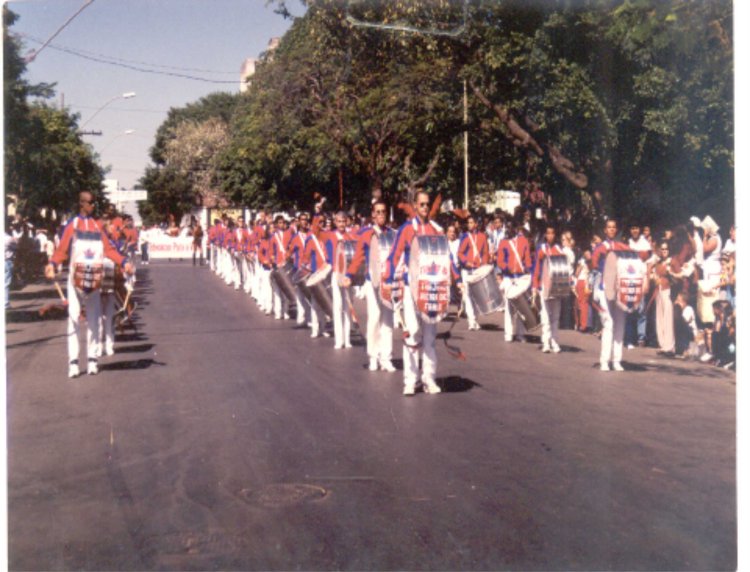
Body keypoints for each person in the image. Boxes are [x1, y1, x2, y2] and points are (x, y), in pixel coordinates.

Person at [45, 191, 134, 378]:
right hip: (74, 280)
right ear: (82, 204)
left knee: (94, 320)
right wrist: (52, 264)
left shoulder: (97, 226)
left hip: (94, 281)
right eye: (91, 203)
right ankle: (73, 363)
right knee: (74, 320)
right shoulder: (72, 225)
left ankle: (92, 360)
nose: (94, 206)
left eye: (95, 202)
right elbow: (61, 250)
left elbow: (109, 249)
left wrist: (124, 262)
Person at [386, 189, 445, 396]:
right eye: (422, 204)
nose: (426, 207)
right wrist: (389, 279)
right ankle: (410, 380)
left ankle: (429, 379)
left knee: (429, 337)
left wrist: (456, 281)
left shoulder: (436, 229)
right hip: (411, 288)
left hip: (431, 289)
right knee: (412, 333)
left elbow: (446, 258)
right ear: (414, 205)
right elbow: (394, 255)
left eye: (428, 204)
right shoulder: (406, 229)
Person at [343, 200, 396, 371]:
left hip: (387, 283)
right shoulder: (366, 234)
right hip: (371, 282)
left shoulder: (392, 234)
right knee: (374, 319)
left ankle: (386, 357)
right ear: (373, 214)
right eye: (378, 212)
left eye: (383, 211)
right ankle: (373, 356)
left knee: (388, 321)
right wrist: (349, 275)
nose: (381, 215)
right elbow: (358, 257)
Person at [591, 219, 630, 371]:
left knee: (620, 323)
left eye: (614, 227)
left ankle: (617, 360)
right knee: (608, 324)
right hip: (604, 287)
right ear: (605, 230)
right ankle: (604, 361)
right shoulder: (600, 247)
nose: (612, 230)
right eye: (609, 227)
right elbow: (593, 264)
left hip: (620, 288)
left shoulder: (623, 246)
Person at [532, 224, 566, 353]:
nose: (550, 235)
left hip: (556, 287)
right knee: (545, 316)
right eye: (548, 233)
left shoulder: (559, 249)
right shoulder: (541, 249)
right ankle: (545, 342)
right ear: (545, 235)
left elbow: (563, 268)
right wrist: (535, 285)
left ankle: (555, 341)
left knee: (556, 316)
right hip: (544, 286)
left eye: (552, 233)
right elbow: (536, 268)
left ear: (555, 235)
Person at [497, 219, 533, 343]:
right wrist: (507, 267)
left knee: (521, 307)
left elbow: (527, 259)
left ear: (517, 229)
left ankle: (520, 333)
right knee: (509, 306)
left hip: (521, 277)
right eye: (508, 227)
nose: (510, 230)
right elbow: (500, 261)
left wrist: (528, 269)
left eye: (512, 227)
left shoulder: (523, 242)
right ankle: (508, 333)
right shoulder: (503, 243)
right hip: (508, 277)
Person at [325, 211, 355, 348]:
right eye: (339, 222)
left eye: (344, 221)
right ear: (335, 222)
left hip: (348, 276)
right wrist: (337, 272)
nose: (342, 224)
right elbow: (330, 256)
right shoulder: (331, 236)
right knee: (337, 306)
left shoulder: (351, 236)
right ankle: (339, 339)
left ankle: (347, 339)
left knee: (348, 307)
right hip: (337, 273)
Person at [457, 214, 490, 331]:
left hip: (478, 270)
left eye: (472, 223)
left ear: (476, 224)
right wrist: (466, 262)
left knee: (476, 296)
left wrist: (484, 265)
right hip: (467, 270)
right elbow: (460, 253)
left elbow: (486, 252)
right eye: (468, 223)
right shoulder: (465, 237)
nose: (470, 225)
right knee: (467, 295)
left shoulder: (482, 236)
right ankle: (471, 321)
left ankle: (475, 319)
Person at [650, 241, 675, 355]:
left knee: (667, 318)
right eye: (662, 249)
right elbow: (654, 274)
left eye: (666, 249)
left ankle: (669, 347)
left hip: (668, 290)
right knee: (659, 317)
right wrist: (653, 277)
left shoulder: (672, 262)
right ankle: (662, 344)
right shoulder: (658, 263)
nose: (664, 251)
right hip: (658, 291)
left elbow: (676, 278)